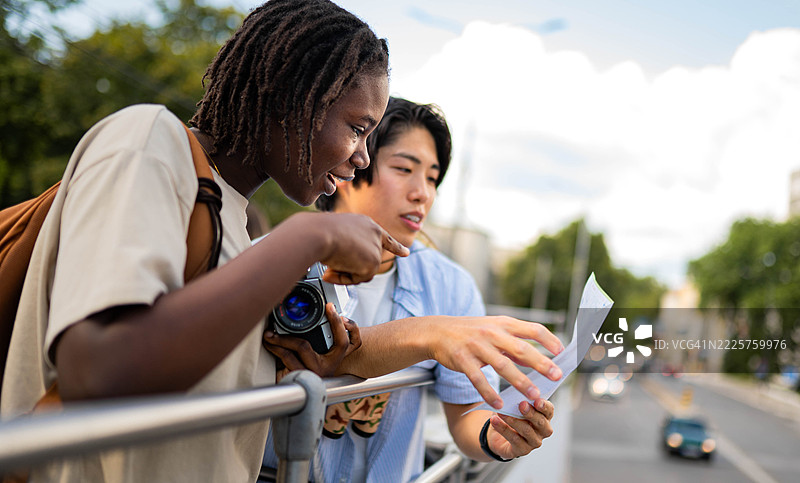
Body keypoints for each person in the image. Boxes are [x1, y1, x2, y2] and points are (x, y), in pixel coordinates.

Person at [1, 1, 401, 481]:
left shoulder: (238, 227)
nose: (362, 159)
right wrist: (310, 235)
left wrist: (300, 371)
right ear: (293, 96)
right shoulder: (147, 140)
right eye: (358, 129)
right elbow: (100, 372)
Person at [261, 97, 559, 482]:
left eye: (433, 178)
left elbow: (465, 415)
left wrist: (497, 437)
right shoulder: (271, 260)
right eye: (404, 169)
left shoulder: (450, 285)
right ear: (352, 163)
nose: (423, 193)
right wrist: (428, 335)